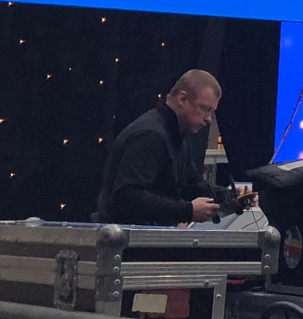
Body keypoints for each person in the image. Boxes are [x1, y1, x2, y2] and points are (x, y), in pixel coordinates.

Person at [95, 70, 246, 226]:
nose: (209, 119)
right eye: (205, 109)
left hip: (138, 234)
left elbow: (191, 185)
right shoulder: (150, 134)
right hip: (124, 236)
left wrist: (231, 197)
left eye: (212, 111)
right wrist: (187, 210)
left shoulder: (176, 134)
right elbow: (127, 196)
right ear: (182, 99)